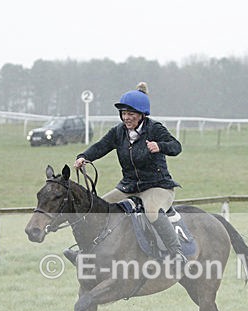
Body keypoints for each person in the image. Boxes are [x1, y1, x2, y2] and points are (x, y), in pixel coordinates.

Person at [73, 82, 186, 262]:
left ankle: (176, 252)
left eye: (131, 114)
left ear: (142, 115)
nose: (126, 118)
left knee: (152, 212)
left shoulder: (155, 129)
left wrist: (160, 146)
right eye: (124, 114)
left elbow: (176, 147)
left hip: (157, 187)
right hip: (129, 186)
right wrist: (83, 157)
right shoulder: (118, 132)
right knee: (96, 209)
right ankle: (84, 251)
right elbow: (101, 146)